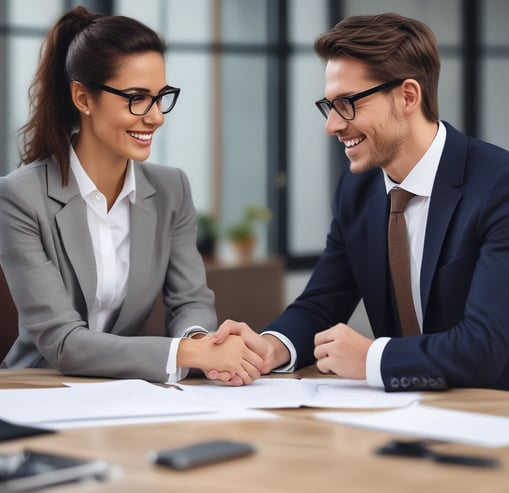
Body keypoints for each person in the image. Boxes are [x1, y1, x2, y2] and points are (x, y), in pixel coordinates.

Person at [209, 12, 509, 391]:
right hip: (400, 413)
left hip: (492, 413)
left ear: (407, 96)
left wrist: (372, 359)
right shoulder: (357, 191)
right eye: (329, 105)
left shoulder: (499, 186)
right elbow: (322, 303)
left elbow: (486, 347)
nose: (332, 125)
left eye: (348, 103)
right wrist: (270, 347)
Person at [0, 6, 262, 384]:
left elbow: (191, 301)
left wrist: (205, 343)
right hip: (38, 388)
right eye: (137, 98)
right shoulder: (19, 197)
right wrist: (188, 352)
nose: (156, 116)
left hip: (128, 389)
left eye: (161, 97)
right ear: (83, 98)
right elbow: (61, 342)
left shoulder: (172, 189)